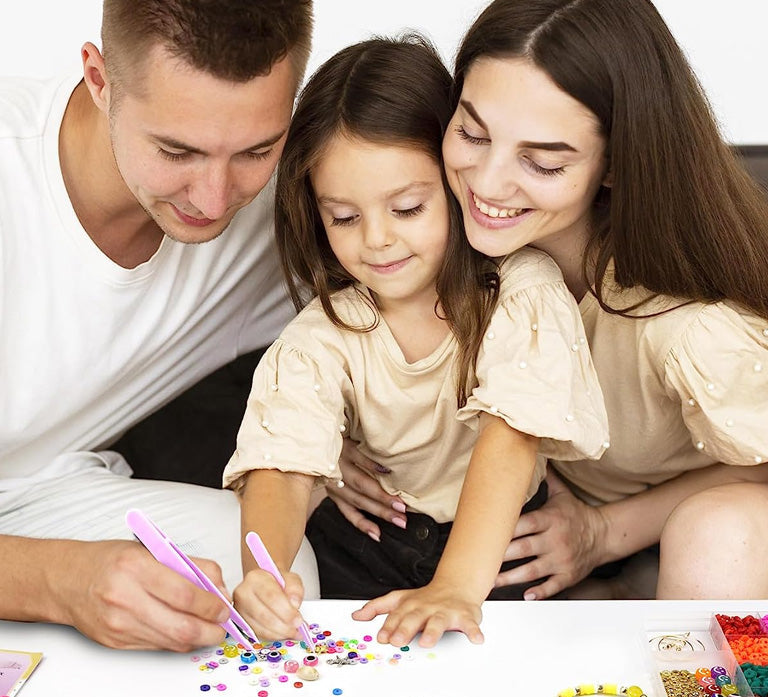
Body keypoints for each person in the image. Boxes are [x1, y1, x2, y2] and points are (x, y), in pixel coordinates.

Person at [329, 0, 768, 602]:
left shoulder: (692, 329)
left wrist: (605, 533)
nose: (487, 182)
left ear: (613, 165)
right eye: (472, 132)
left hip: (729, 526)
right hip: (559, 534)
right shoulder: (433, 229)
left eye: (542, 161)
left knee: (714, 537)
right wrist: (331, 441)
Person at [224, 34, 608, 649]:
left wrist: (457, 585)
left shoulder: (520, 292)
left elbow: (510, 440)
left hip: (498, 547)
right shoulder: (323, 335)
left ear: (457, 186)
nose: (376, 239)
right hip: (366, 547)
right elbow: (283, 465)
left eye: (406, 208)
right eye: (344, 217)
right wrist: (264, 574)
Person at [0, 0, 319, 652]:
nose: (213, 198)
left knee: (264, 579)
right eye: (177, 150)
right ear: (99, 78)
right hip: (37, 536)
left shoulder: (297, 202)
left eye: (257, 149)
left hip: (43, 491)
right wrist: (51, 581)